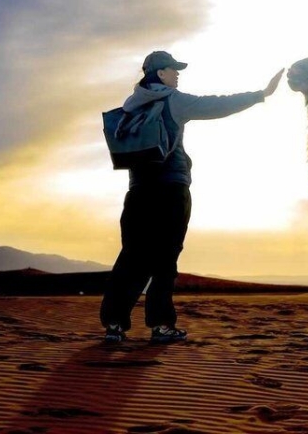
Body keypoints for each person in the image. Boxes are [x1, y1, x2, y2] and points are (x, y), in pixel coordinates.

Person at [100, 50, 283, 343]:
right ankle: (161, 326)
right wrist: (260, 94)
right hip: (170, 189)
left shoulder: (130, 106)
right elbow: (215, 105)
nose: (177, 74)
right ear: (160, 73)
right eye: (173, 69)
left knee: (131, 257)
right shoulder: (173, 100)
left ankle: (113, 326)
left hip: (137, 192)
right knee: (165, 259)